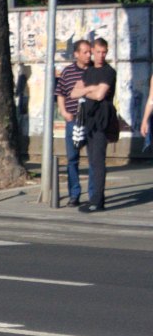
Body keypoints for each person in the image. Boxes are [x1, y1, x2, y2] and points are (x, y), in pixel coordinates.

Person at [70, 37, 116, 212]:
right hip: (88, 119)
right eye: (97, 52)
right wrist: (90, 89)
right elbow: (74, 93)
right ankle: (95, 198)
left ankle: (97, 201)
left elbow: (100, 95)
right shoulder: (88, 72)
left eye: (104, 52)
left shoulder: (108, 72)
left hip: (101, 120)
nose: (100, 56)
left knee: (97, 161)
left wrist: (87, 91)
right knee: (91, 160)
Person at [54, 39, 91, 207]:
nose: (88, 55)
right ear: (76, 54)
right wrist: (63, 111)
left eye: (89, 52)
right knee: (72, 158)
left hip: (91, 120)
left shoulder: (94, 71)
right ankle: (74, 195)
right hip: (73, 120)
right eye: (85, 52)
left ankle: (93, 194)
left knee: (94, 158)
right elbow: (60, 93)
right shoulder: (68, 72)